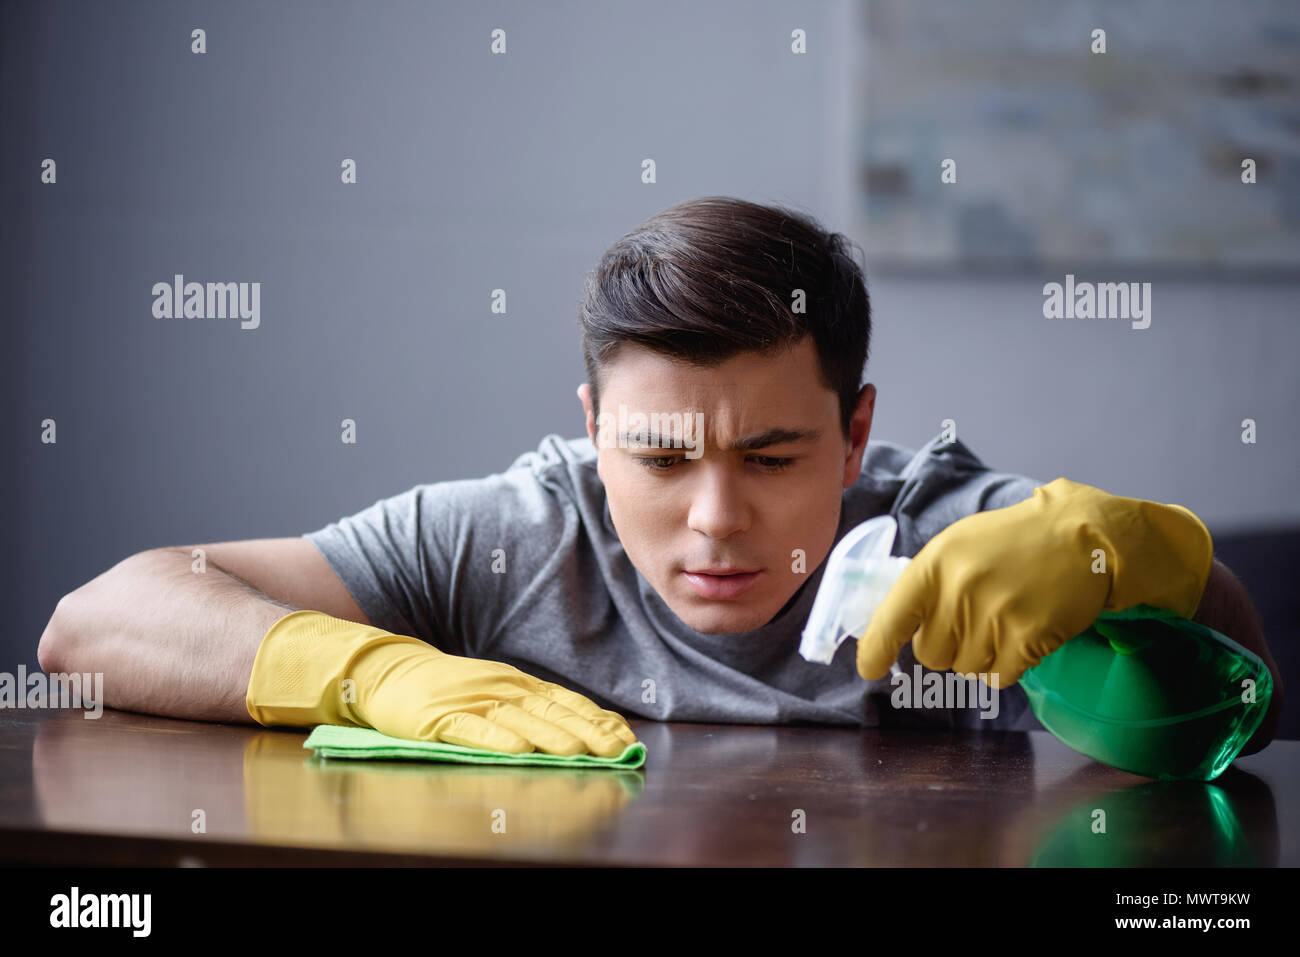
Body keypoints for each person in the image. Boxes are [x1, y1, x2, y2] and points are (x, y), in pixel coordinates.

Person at [38, 196, 1283, 758]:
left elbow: (1254, 709)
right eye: (659, 456)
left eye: (773, 454)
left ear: (854, 437)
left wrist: (1151, 560)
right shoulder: (517, 534)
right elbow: (92, 625)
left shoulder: (947, 545)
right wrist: (370, 672)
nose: (714, 519)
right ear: (591, 429)